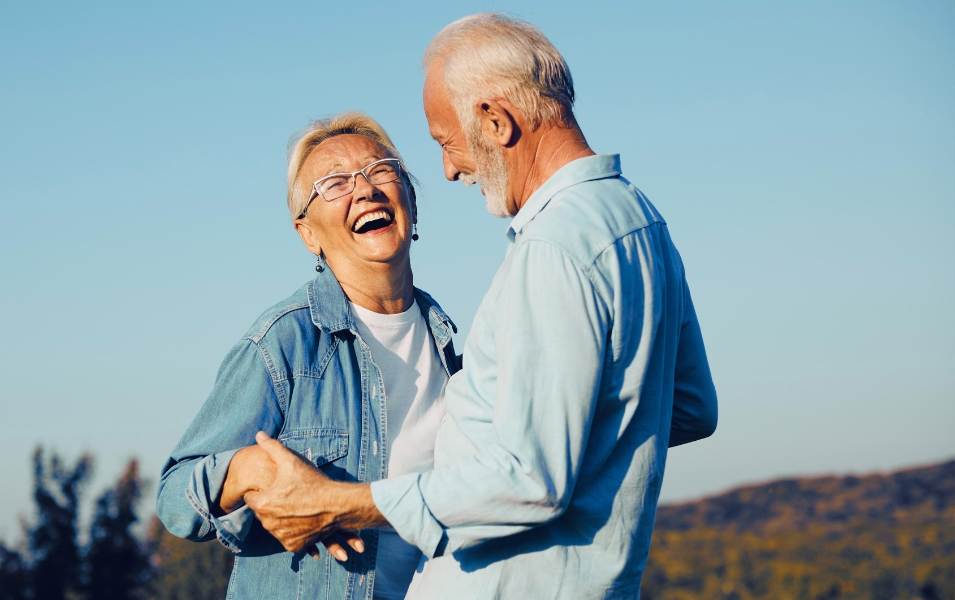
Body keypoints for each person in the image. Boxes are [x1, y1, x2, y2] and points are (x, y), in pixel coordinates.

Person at [245, 13, 720, 599]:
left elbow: (530, 480)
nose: (449, 169)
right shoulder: (639, 218)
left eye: (447, 141)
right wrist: (567, 434)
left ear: (496, 120)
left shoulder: (553, 249)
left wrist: (336, 503)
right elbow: (691, 406)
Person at [155, 112, 462, 600]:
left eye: (381, 170)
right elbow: (174, 497)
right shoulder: (285, 342)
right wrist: (250, 469)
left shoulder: (451, 348)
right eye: (335, 183)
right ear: (308, 234)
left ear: (412, 203)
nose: (364, 190)